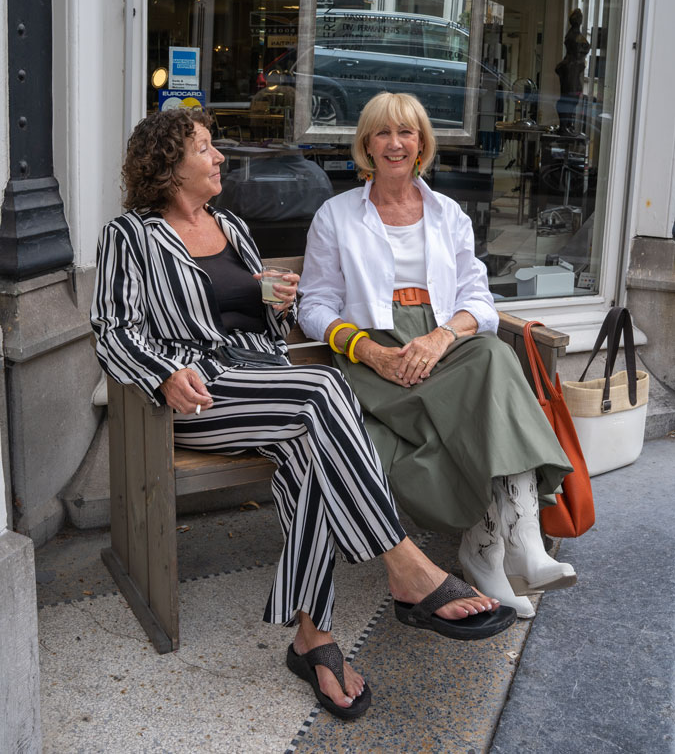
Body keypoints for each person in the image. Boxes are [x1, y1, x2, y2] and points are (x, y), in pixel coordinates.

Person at [91, 107, 516, 723]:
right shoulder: (129, 235)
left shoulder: (231, 225)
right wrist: (161, 375)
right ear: (168, 165)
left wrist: (275, 298)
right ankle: (405, 566)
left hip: (264, 380)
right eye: (206, 149)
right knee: (322, 389)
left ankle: (312, 639)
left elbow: (257, 317)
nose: (219, 159)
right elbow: (111, 329)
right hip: (200, 392)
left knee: (309, 454)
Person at [298, 92, 577, 620]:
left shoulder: (448, 214)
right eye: (383, 133)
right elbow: (314, 307)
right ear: (367, 145)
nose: (395, 143)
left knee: (491, 357)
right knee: (489, 381)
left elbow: (478, 300)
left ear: (422, 144)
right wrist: (369, 352)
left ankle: (508, 542)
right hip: (374, 354)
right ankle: (500, 544)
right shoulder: (335, 216)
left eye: (406, 133)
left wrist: (441, 337)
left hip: (441, 342)